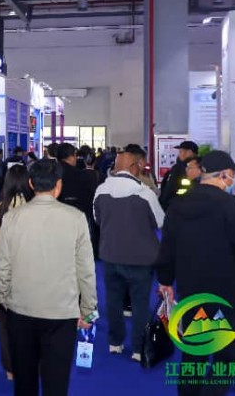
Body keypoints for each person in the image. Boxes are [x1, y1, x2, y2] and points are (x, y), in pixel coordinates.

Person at [155, 151, 235, 396]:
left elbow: (167, 247)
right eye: (231, 175)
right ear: (223, 175)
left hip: (191, 292)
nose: (232, 179)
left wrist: (165, 280)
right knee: (226, 360)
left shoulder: (178, 206)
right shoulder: (233, 208)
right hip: (226, 294)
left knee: (193, 355)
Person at [0, 159, 98, 396]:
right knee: (56, 381)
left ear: (31, 183)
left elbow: (3, 266)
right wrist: (88, 310)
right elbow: (86, 270)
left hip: (20, 309)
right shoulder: (75, 218)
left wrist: (7, 300)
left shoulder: (12, 217)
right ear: (58, 185)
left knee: (24, 380)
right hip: (62, 313)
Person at [93, 147, 164, 362]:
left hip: (110, 255)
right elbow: (160, 221)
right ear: (134, 167)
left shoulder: (101, 190)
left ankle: (115, 342)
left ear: (116, 167)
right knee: (140, 303)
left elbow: (97, 219)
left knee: (113, 301)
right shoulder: (145, 193)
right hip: (141, 258)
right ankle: (138, 348)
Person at [0, 164, 34, 381]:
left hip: (3, 270)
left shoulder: (0, 209)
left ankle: (10, 368)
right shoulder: (35, 208)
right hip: (29, 269)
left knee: (4, 323)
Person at [56, 142, 99, 258]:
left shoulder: (52, 172)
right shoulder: (80, 175)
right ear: (71, 156)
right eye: (75, 155)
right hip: (76, 216)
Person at [159, 140, 198, 210]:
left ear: (189, 152)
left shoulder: (179, 168)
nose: (179, 155)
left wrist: (163, 202)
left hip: (175, 206)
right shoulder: (201, 167)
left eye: (180, 152)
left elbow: (170, 188)